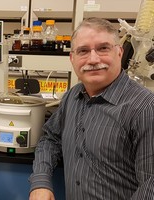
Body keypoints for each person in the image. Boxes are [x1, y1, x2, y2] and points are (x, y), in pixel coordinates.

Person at [29, 17, 154, 200]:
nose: (93, 59)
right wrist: (40, 182)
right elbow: (50, 139)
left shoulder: (145, 108)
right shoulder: (72, 96)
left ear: (119, 52)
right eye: (83, 51)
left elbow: (150, 188)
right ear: (72, 58)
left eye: (103, 48)